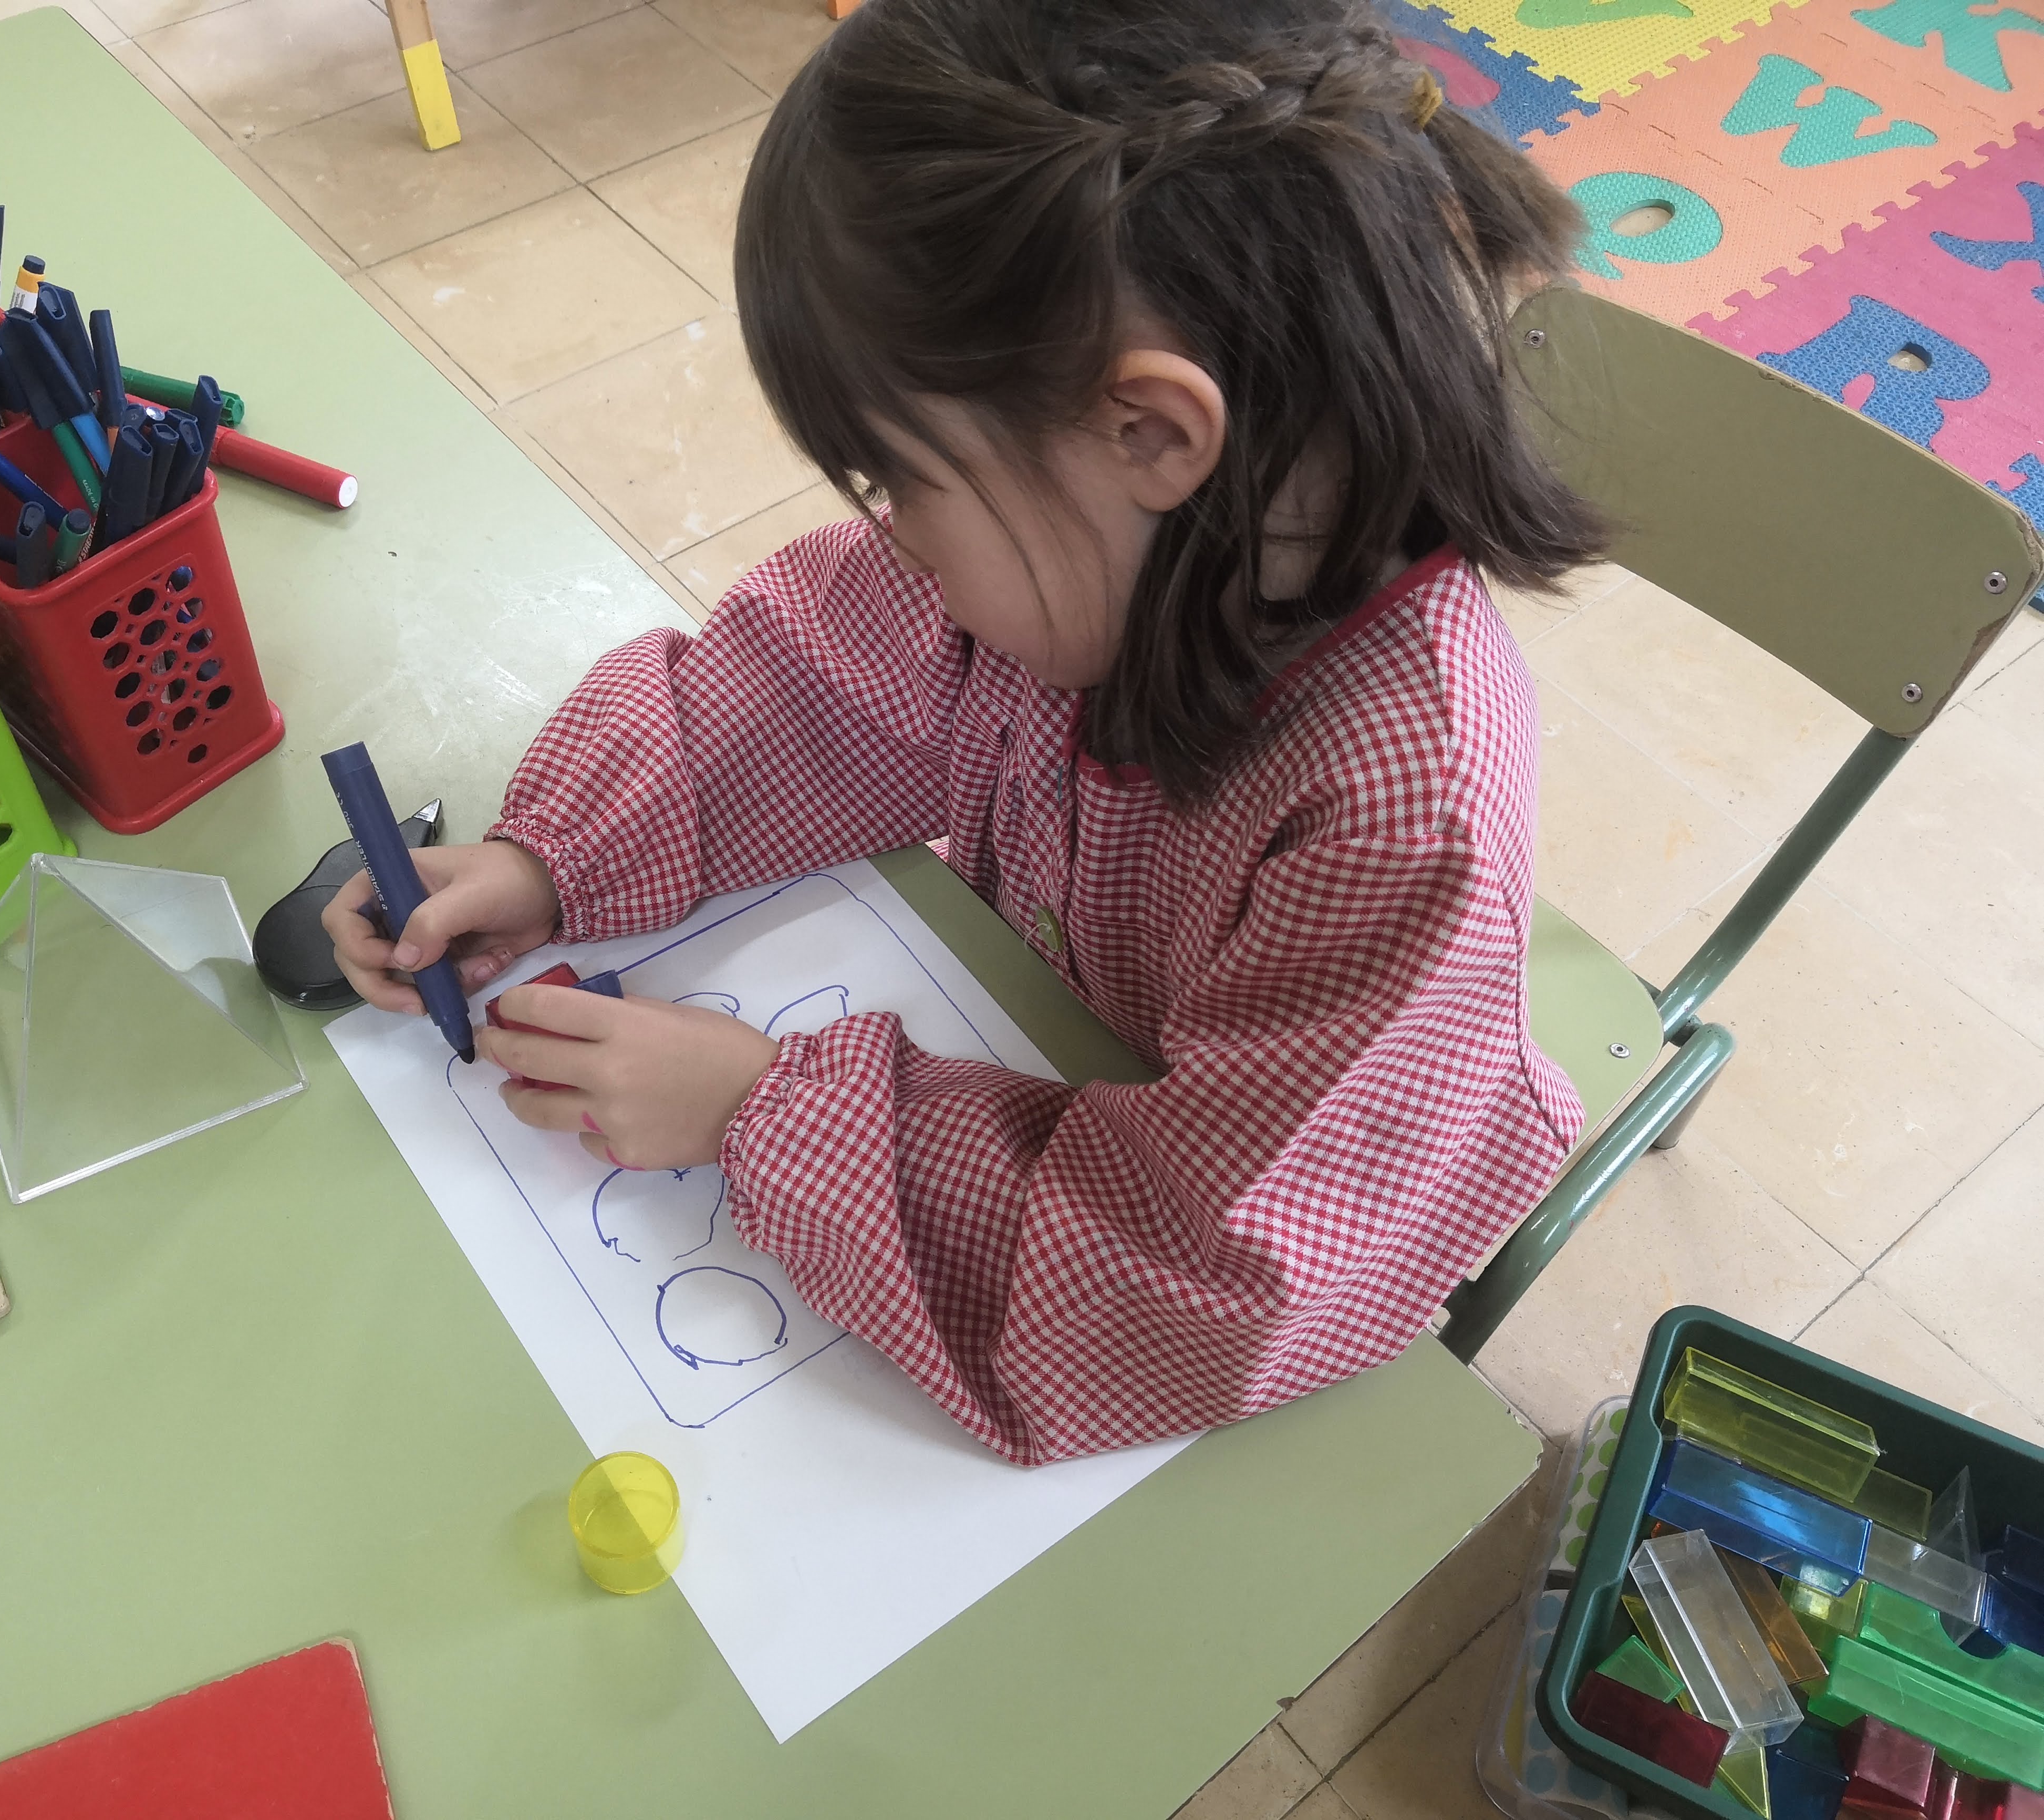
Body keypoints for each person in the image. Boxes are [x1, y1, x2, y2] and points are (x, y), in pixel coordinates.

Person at [325, 0, 1610, 1465]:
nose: (891, 535)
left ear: (1150, 433)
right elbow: (803, 682)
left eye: (902, 481)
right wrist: (553, 857)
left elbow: (1184, 1279)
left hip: (1301, 1202)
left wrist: (757, 1110)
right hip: (1060, 1014)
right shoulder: (1121, 536)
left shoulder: (1400, 816)